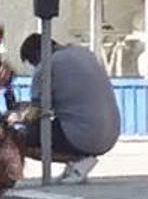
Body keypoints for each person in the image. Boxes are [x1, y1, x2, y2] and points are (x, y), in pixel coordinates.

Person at [14, 33, 120, 184]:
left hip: (83, 136)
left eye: (32, 63)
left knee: (19, 136)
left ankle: (79, 161)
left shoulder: (46, 66)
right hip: (111, 133)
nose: (34, 67)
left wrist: (17, 118)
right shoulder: (83, 53)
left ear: (37, 55)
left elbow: (35, 114)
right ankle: (76, 165)